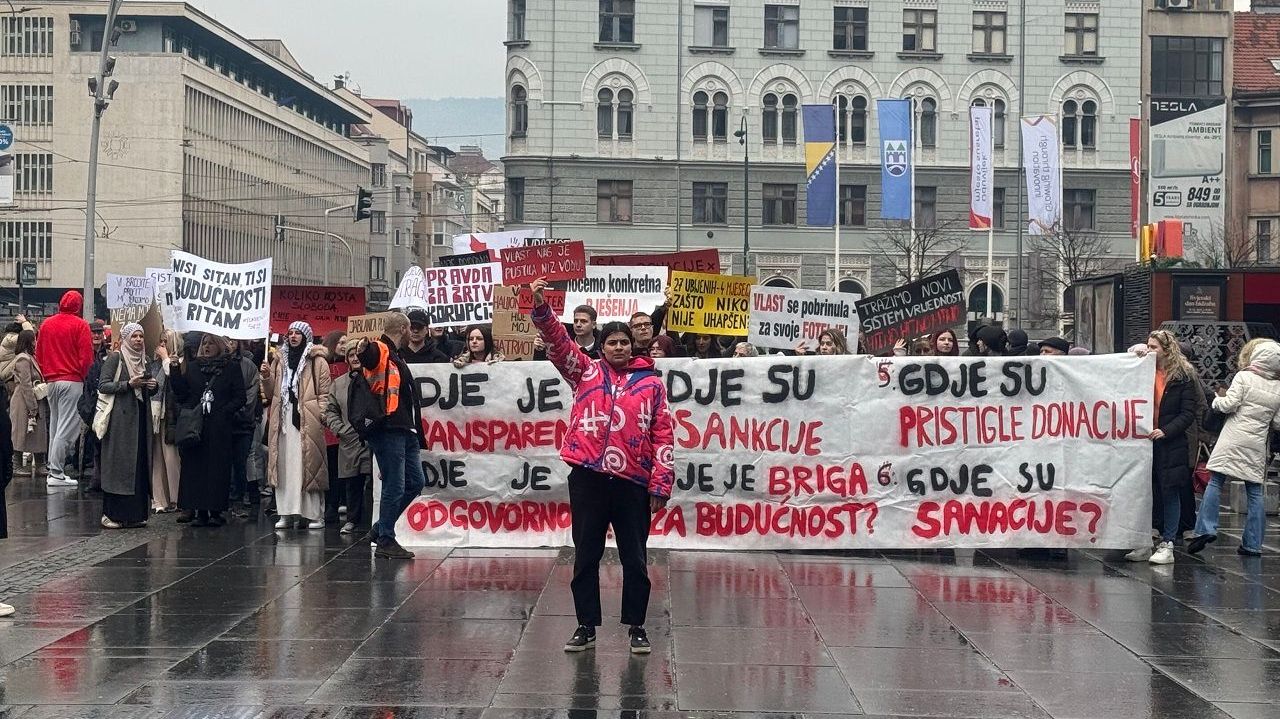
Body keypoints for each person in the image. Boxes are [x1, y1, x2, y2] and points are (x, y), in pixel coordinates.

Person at [529, 277, 674, 655]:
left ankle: (637, 627)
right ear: (602, 347)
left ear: (633, 345)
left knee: (635, 557)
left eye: (625, 342)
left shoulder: (652, 385)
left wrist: (661, 484)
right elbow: (559, 344)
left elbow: (663, 435)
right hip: (589, 479)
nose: (619, 347)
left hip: (633, 483)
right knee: (586, 555)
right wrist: (542, 306)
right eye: (612, 342)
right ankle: (585, 625)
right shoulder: (585, 372)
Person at [1189, 341, 1280, 557]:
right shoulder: (1278, 387)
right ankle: (1253, 544)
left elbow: (1229, 404)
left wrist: (1216, 401)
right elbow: (1277, 423)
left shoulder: (1243, 377)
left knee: (1216, 481)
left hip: (1233, 438)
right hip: (1257, 444)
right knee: (1255, 491)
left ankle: (1206, 528)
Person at [355, 311, 428, 559]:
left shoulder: (397, 356)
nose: (412, 334)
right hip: (387, 429)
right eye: (410, 329)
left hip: (405, 429)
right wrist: (363, 349)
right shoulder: (380, 349)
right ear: (404, 329)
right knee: (395, 486)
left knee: (416, 482)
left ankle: (380, 528)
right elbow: (367, 356)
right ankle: (386, 539)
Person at [1126, 330, 1198, 565]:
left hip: (1170, 442)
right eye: (1148, 345)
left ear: (1167, 350)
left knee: (1169, 491)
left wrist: (1167, 431)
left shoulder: (1184, 376)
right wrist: (1133, 354)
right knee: (1144, 491)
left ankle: (1168, 543)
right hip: (1143, 441)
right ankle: (1144, 542)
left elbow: (1188, 412)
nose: (1149, 350)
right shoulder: (1143, 368)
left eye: (1153, 347)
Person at [172, 332, 244, 527]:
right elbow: (182, 393)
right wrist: (175, 371)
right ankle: (199, 510)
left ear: (219, 346)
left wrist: (224, 411)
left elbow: (240, 397)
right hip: (197, 426)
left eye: (211, 343)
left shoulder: (231, 368)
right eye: (204, 343)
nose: (207, 347)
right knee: (196, 468)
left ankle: (215, 510)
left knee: (217, 468)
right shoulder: (194, 368)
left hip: (219, 427)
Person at [264, 322, 330, 530]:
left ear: (306, 337)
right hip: (283, 419)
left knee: (308, 466)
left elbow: (324, 394)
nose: (293, 337)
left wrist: (319, 416)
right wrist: (266, 376)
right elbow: (270, 391)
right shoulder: (279, 360)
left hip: (306, 420)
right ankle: (286, 512)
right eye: (290, 333)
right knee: (284, 464)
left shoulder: (317, 361)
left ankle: (313, 514)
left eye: (297, 333)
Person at [96, 324, 157, 529]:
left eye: (141, 336)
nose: (139, 340)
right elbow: (103, 385)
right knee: (119, 467)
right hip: (120, 424)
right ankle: (112, 514)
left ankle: (135, 514)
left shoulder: (145, 360)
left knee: (138, 466)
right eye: (134, 336)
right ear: (125, 339)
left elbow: (147, 388)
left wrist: (152, 386)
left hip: (140, 421)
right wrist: (127, 385)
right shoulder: (116, 358)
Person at [34, 291, 93, 487]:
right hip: (72, 380)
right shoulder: (80, 325)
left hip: (52, 381)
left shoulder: (47, 324)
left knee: (57, 426)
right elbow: (86, 358)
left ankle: (54, 470)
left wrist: (47, 373)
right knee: (67, 428)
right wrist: (85, 376)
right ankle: (57, 472)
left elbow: (39, 353)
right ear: (79, 306)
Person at [322, 339, 373, 535]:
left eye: (357, 354)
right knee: (352, 482)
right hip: (349, 439)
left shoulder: (374, 378)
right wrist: (339, 428)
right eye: (351, 355)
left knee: (372, 481)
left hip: (370, 438)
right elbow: (331, 410)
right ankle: (352, 519)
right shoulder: (339, 383)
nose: (355, 358)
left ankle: (370, 520)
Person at [225, 337, 261, 511]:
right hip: (223, 422)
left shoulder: (249, 366)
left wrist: (236, 410)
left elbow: (252, 393)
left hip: (243, 423)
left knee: (240, 462)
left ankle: (238, 497)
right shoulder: (216, 364)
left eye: (232, 341)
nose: (229, 344)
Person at [149, 331, 181, 513]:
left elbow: (173, 377)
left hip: (171, 414)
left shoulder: (177, 361)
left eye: (165, 341)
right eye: (160, 341)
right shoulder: (154, 364)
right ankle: (159, 499)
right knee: (157, 458)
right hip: (157, 414)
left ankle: (176, 497)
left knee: (171, 457)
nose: (161, 345)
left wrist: (166, 358)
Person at [8, 330, 48, 476]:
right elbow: (25, 384)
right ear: (29, 341)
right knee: (20, 433)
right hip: (24, 402)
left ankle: (39, 464)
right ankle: (16, 465)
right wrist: (33, 407)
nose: (36, 342)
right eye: (34, 339)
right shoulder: (23, 359)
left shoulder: (29, 357)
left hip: (28, 400)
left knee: (35, 433)